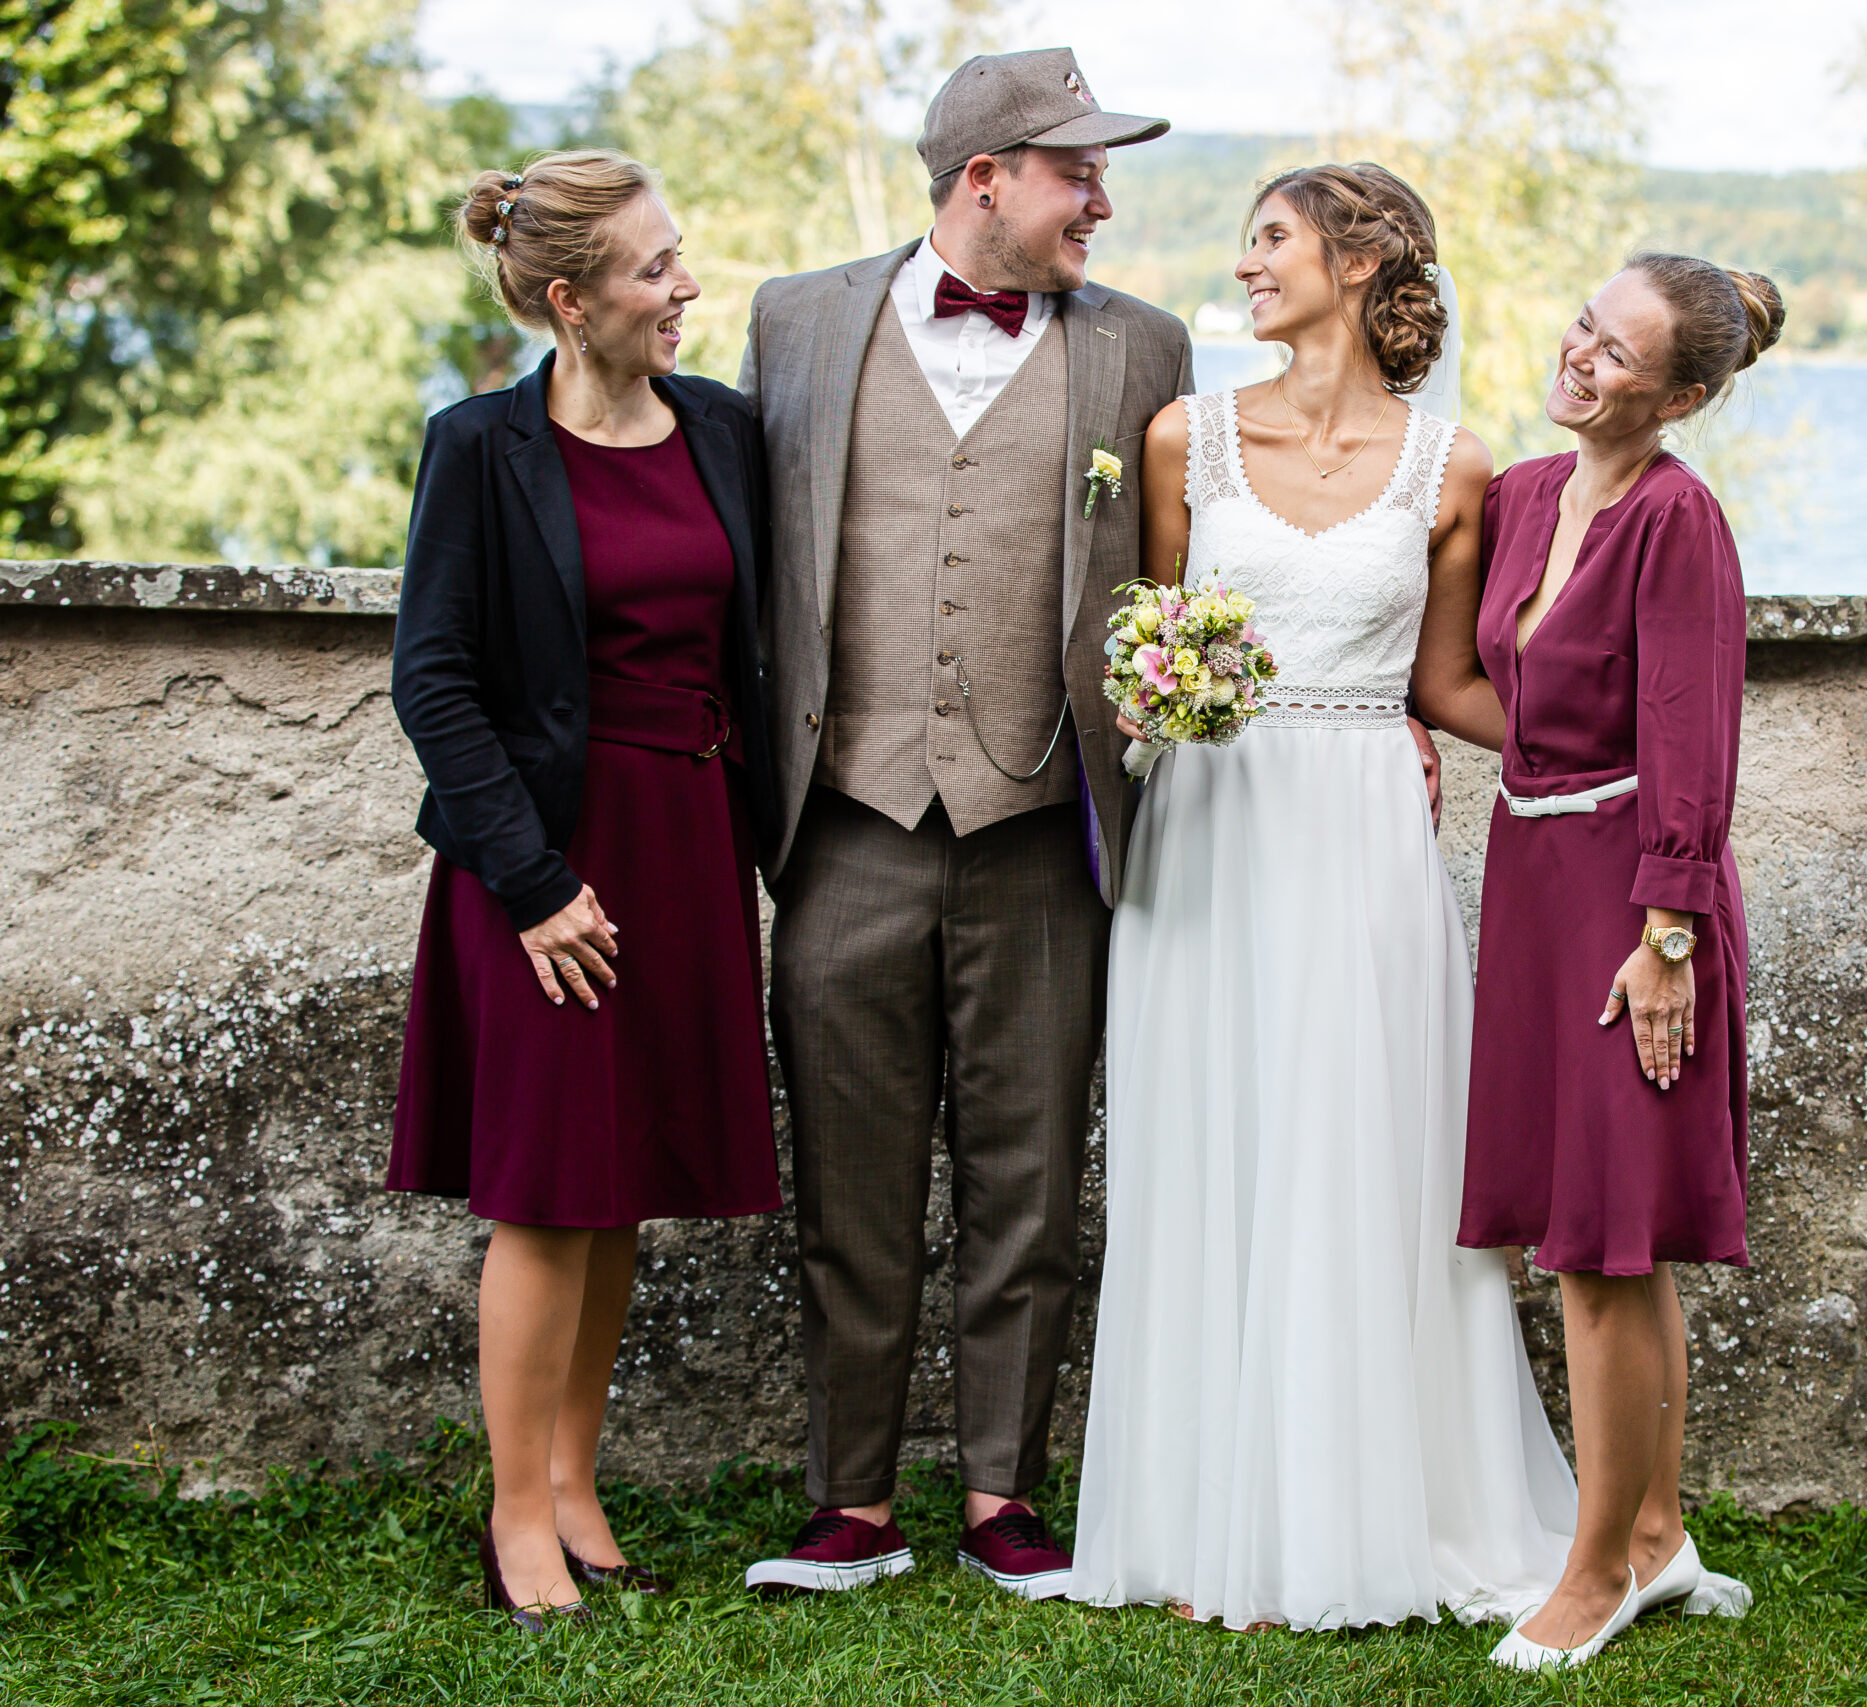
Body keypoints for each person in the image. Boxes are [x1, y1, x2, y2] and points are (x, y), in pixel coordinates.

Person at [1067, 163, 1577, 1633]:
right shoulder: (1183, 442)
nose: (1246, 268)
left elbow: (1450, 684)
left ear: (1360, 263)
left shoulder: (1452, 468)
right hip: (1213, 826)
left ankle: (1375, 1510)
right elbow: (1150, 636)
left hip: (1362, 835)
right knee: (1211, 1144)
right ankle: (1198, 1514)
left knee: (1363, 1155)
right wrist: (1162, 697)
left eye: (1272, 240)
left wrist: (1596, 754)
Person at [735, 49, 1189, 1599]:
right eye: (1079, 174)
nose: (1103, 202)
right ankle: (850, 1501)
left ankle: (1005, 1492)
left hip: (1045, 820)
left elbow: (1190, 569)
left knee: (1031, 1173)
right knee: (849, 1179)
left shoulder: (1145, 346)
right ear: (984, 179)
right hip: (845, 812)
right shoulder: (795, 319)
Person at [388, 149, 781, 1632]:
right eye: (654, 269)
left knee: (619, 1197)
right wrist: (536, 884)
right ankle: (511, 1518)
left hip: (685, 841)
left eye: (679, 255)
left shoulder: (726, 432)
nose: (685, 286)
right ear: (570, 297)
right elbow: (433, 682)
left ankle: (573, 1480)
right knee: (550, 1199)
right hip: (543, 860)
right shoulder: (480, 448)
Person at [1414, 254, 1779, 1669]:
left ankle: (1591, 1574)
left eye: (1619, 354)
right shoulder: (1517, 500)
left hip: (1638, 909)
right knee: (1595, 1237)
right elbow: (1463, 689)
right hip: (1533, 877)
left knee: (1606, 1253)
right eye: (1581, 325)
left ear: (1681, 394)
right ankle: (1660, 1537)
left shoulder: (1679, 520)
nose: (1581, 358)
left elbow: (1695, 738)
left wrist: (1666, 940)